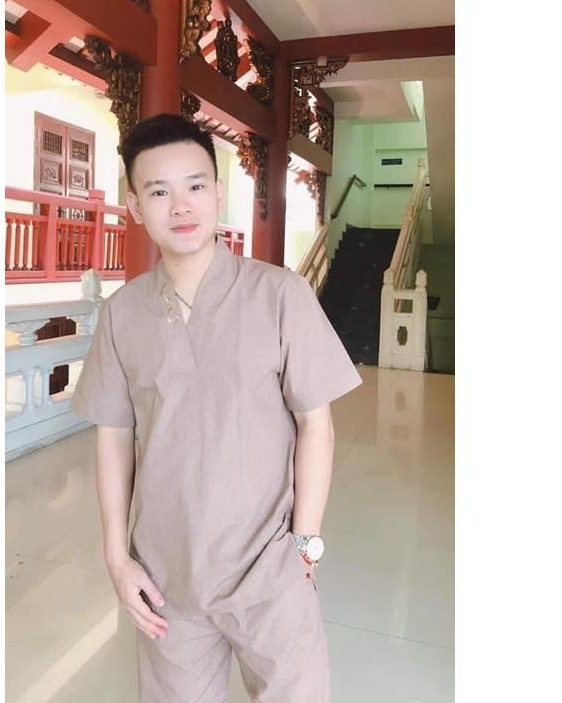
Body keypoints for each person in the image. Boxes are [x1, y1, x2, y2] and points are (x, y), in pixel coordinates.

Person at [71, 113, 363, 702]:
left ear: (218, 193)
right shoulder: (123, 314)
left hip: (269, 569)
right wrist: (117, 558)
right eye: (159, 191)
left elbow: (316, 424)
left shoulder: (280, 295)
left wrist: (304, 544)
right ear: (135, 206)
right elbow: (113, 437)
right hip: (167, 577)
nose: (181, 205)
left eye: (195, 185)